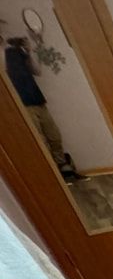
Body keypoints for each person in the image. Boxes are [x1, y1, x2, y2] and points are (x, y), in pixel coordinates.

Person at [4, 36, 81, 182]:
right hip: (22, 105)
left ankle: (64, 170)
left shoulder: (15, 51)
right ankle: (53, 176)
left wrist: (28, 51)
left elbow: (37, 71)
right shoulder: (4, 54)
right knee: (41, 142)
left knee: (54, 136)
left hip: (37, 99)